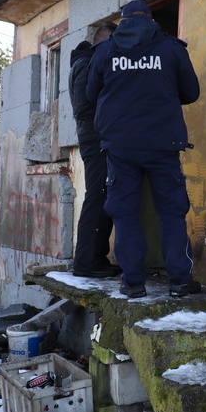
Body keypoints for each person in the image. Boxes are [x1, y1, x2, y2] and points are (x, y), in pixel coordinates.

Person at [86, 0, 201, 298]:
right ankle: (179, 281)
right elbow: (191, 92)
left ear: (122, 21)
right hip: (162, 144)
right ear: (151, 20)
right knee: (172, 212)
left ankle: (133, 283)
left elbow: (91, 94)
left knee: (124, 213)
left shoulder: (104, 51)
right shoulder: (172, 49)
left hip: (120, 145)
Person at [69, 21, 119, 278]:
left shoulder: (85, 61)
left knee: (102, 196)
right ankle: (86, 262)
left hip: (95, 139)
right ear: (103, 40)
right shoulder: (88, 64)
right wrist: (106, 133)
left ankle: (96, 258)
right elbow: (85, 108)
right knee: (97, 196)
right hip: (96, 140)